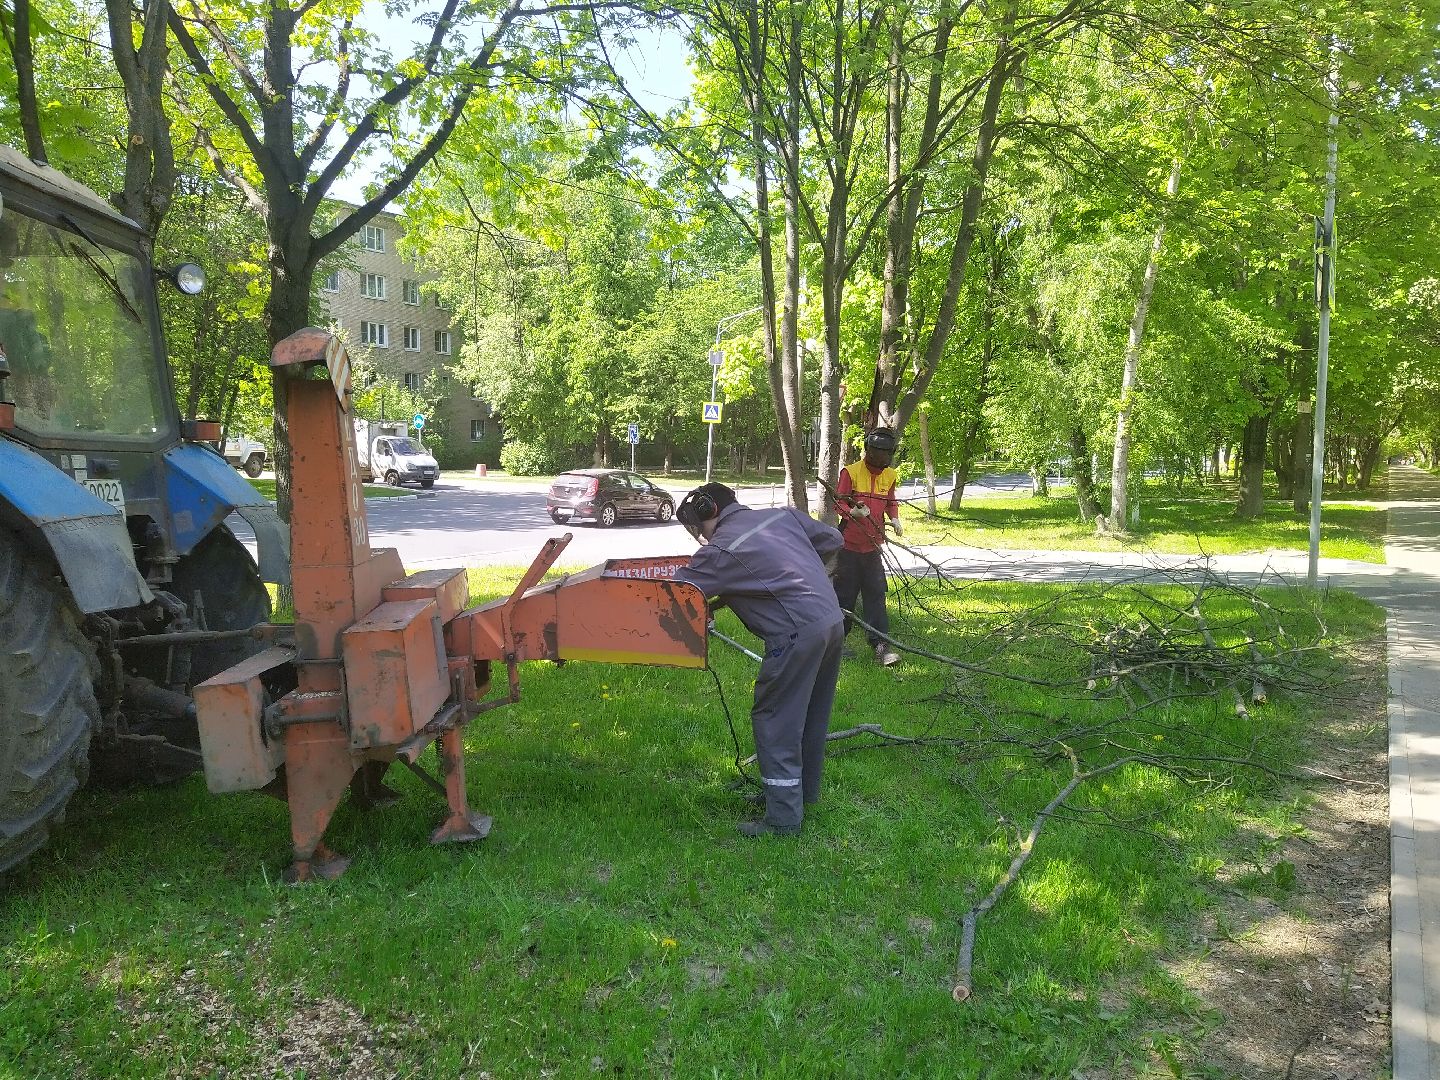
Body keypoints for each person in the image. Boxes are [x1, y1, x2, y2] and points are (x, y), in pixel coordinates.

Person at [674, 482, 845, 837]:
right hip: (831, 620)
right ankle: (798, 795)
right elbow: (833, 541)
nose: (699, 536)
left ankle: (783, 819)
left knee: (775, 717)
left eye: (698, 526)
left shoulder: (721, 550)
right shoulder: (782, 517)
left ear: (710, 512)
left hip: (795, 634)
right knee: (811, 714)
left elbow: (678, 595)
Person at [834, 427, 902, 666]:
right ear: (868, 450)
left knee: (876, 595)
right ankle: (835, 644)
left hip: (873, 547)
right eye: (878, 452)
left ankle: (881, 646)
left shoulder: (890, 475)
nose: (882, 458)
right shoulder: (850, 472)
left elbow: (891, 501)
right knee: (844, 596)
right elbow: (838, 503)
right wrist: (851, 512)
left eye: (886, 453)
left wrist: (894, 518)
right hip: (849, 546)